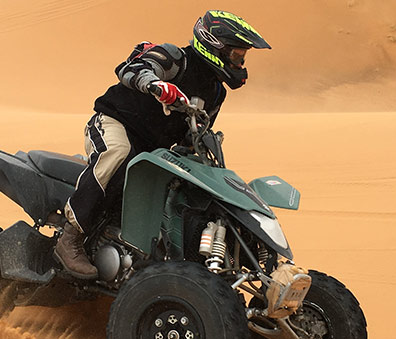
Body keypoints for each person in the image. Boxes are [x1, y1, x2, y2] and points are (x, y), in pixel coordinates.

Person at [54, 10, 271, 279]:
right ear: (215, 46)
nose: (240, 63)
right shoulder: (175, 58)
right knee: (118, 153)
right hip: (114, 123)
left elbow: (194, 135)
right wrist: (156, 85)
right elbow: (130, 69)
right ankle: (71, 237)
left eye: (242, 57)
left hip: (153, 150)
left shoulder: (216, 92)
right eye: (236, 55)